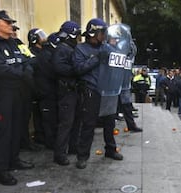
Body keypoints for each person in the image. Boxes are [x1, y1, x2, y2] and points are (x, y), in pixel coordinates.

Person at [0, 10, 35, 186]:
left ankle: (14, 160)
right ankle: (2, 171)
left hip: (18, 92)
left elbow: (27, 61)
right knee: (4, 132)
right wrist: (20, 72)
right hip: (2, 95)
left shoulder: (13, 42)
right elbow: (1, 70)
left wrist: (20, 71)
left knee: (17, 128)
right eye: (7, 22)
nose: (11, 25)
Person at [73, 18, 123, 169]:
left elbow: (118, 64)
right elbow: (79, 69)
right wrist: (97, 58)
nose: (104, 35)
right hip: (91, 90)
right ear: (93, 33)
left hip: (107, 90)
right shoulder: (81, 49)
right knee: (88, 124)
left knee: (110, 122)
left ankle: (110, 150)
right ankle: (82, 156)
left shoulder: (107, 47)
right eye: (102, 32)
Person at [52, 21, 81, 166]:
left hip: (73, 90)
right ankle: (60, 154)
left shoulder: (69, 48)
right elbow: (59, 68)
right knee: (66, 123)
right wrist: (77, 69)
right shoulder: (62, 49)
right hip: (66, 90)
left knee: (75, 121)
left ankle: (73, 147)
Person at [33, 32, 60, 149]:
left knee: (50, 118)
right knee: (49, 119)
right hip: (46, 92)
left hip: (48, 91)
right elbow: (51, 73)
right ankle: (50, 142)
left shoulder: (47, 54)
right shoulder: (45, 56)